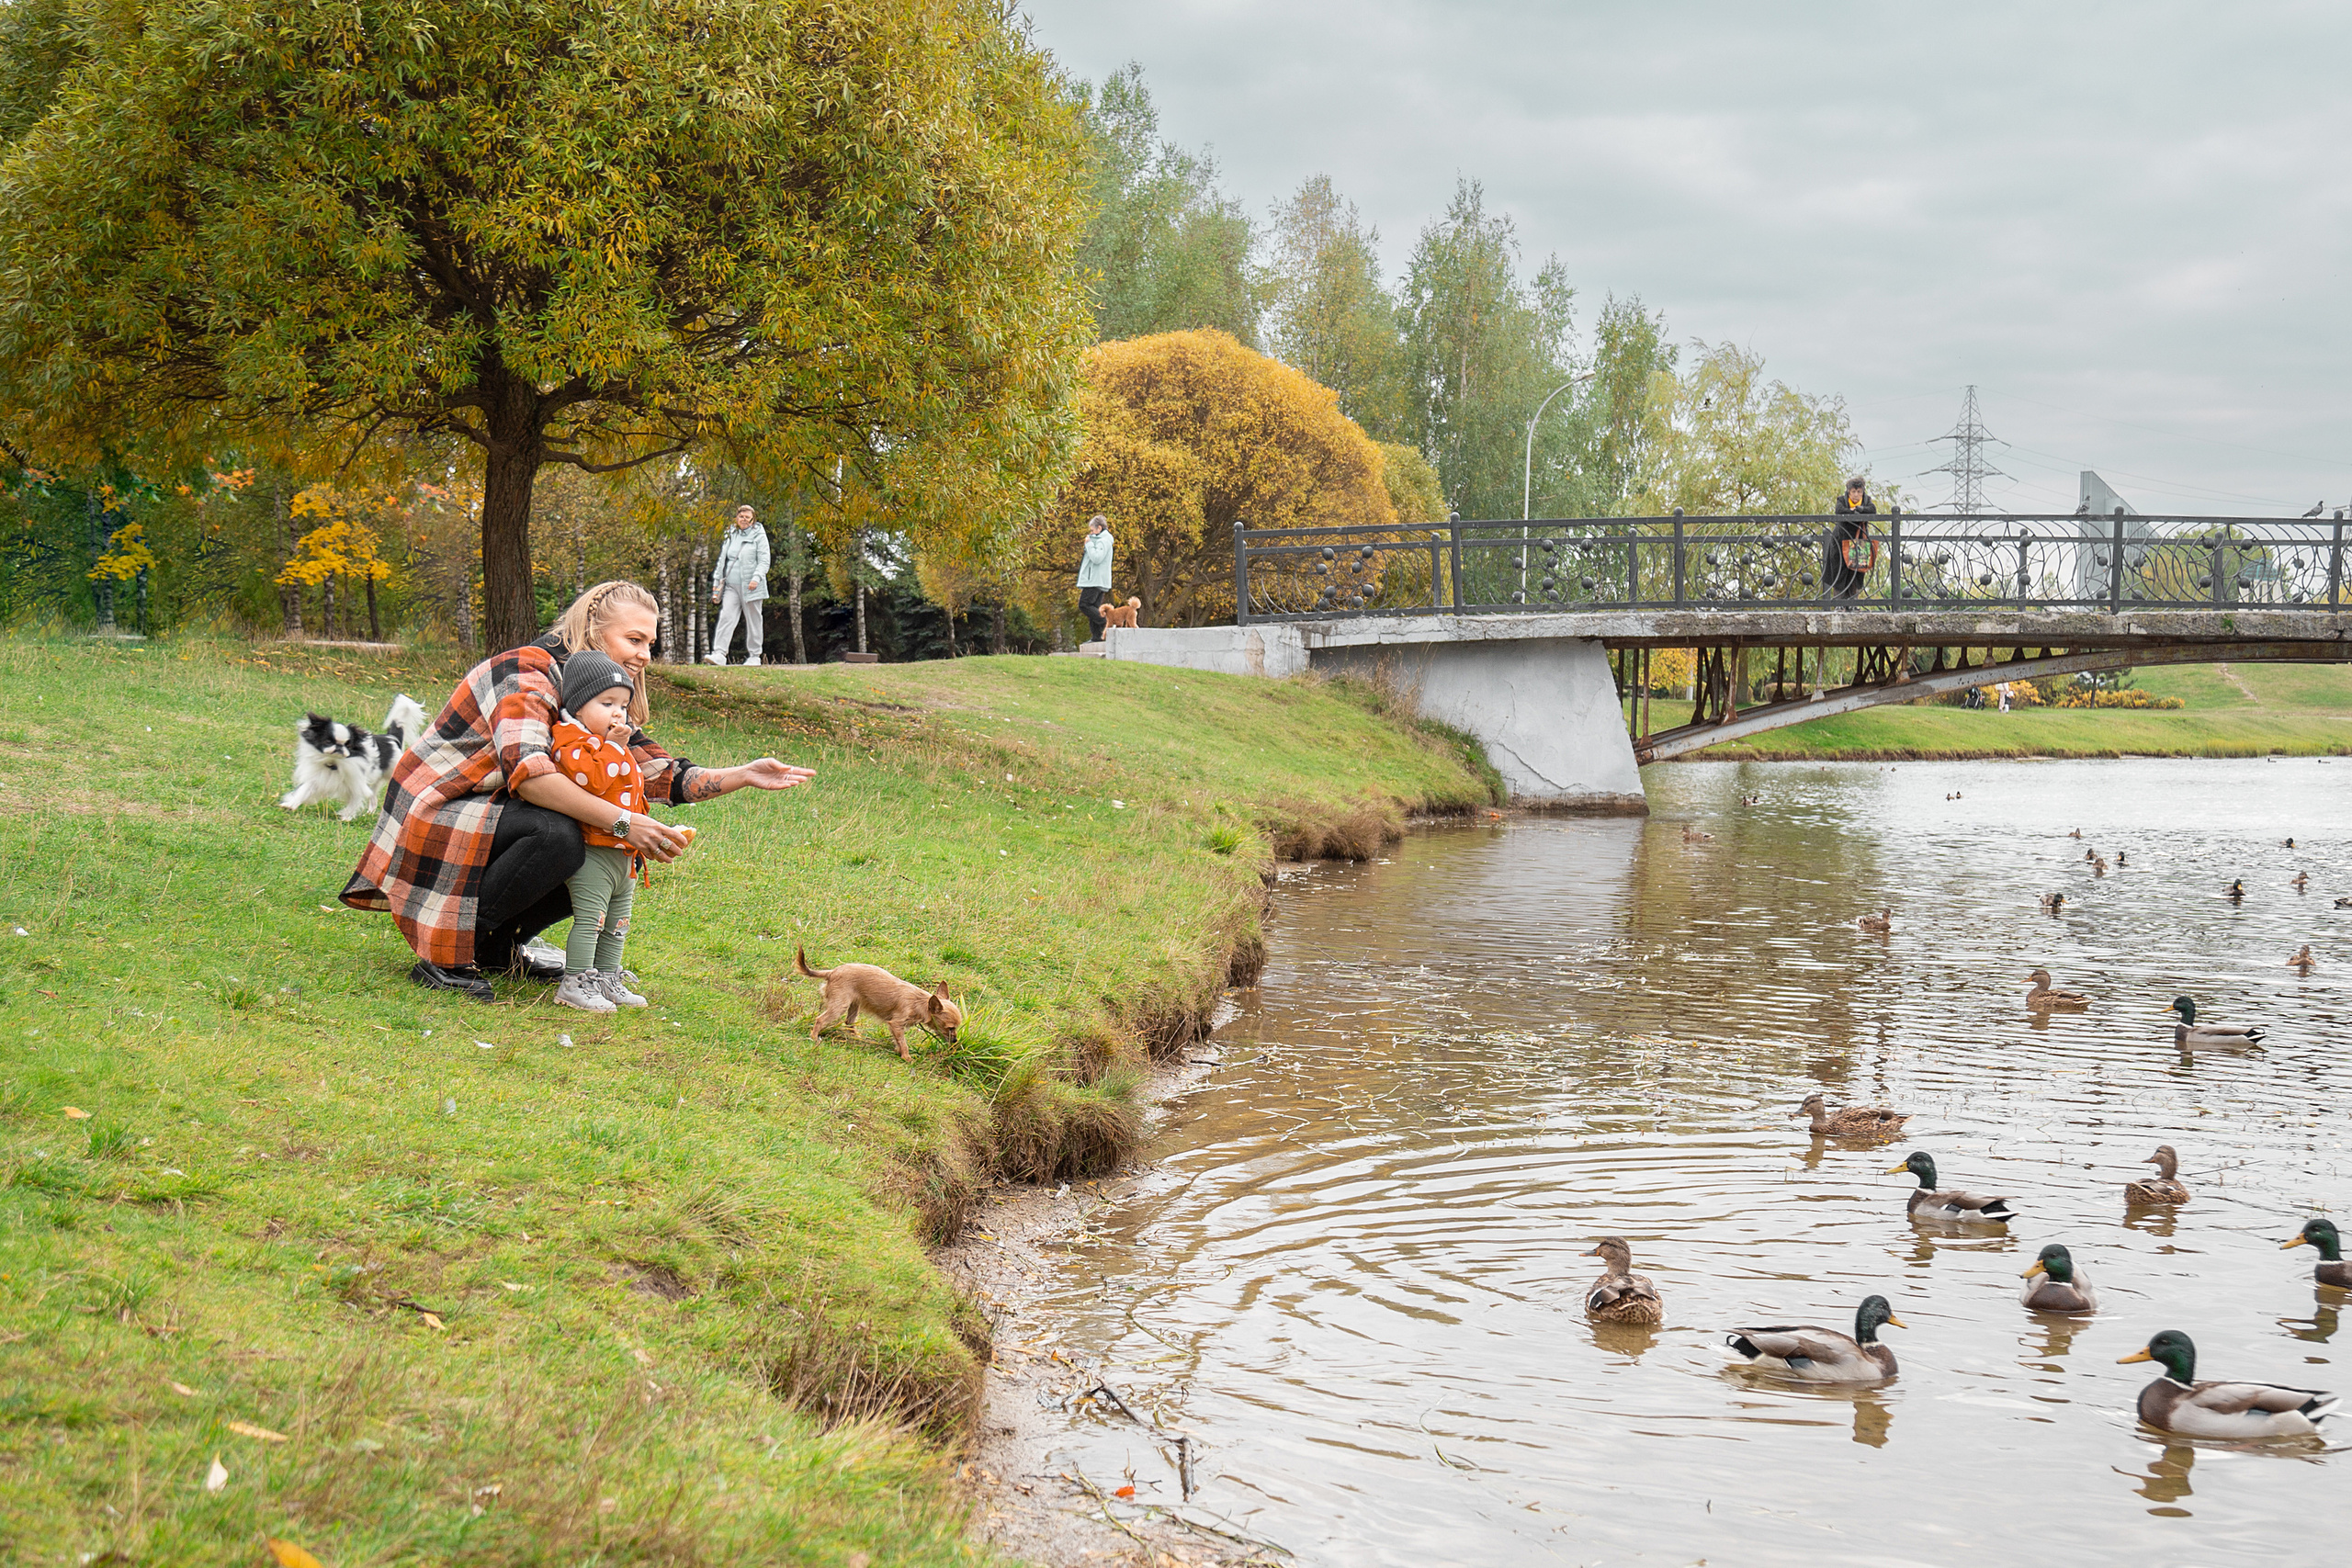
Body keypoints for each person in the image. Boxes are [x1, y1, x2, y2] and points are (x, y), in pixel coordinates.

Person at [342, 581, 814, 1000]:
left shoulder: (595, 696)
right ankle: (446, 954)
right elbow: (531, 774)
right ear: (591, 629)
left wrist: (745, 774)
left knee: (599, 850)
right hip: (442, 810)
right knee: (561, 834)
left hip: (496, 810)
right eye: (633, 639)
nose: (644, 655)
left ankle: (497, 948)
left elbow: (660, 773)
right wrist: (624, 822)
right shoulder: (526, 670)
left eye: (650, 642)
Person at [548, 654, 664, 1012]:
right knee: (592, 921)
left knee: (618, 923)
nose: (618, 713)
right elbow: (593, 782)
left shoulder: (611, 740)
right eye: (607, 703)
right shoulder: (571, 740)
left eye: (624, 705)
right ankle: (576, 981)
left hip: (624, 852)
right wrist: (615, 746)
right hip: (594, 848)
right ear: (579, 706)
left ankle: (607, 977)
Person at [707, 504, 769, 665]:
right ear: (737, 518)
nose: (744, 520)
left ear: (753, 519)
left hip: (752, 586)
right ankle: (719, 654)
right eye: (741, 516)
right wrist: (716, 582)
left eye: (748, 517)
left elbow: (764, 560)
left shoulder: (759, 536)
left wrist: (756, 578)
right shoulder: (731, 534)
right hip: (730, 586)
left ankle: (755, 656)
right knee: (726, 616)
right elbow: (722, 560)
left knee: (754, 620)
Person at [1823, 477, 1877, 602]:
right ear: (1848, 492)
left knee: (1857, 572)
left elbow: (1872, 510)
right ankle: (1839, 603)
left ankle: (1853, 603)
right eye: (1853, 492)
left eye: (1859, 492)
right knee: (1840, 571)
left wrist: (1860, 509)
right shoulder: (1842, 500)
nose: (1856, 495)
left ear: (1863, 492)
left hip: (1860, 539)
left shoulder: (1866, 501)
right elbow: (1839, 511)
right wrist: (1854, 513)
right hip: (1841, 540)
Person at [1077, 513, 1114, 640]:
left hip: (1094, 580)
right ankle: (1097, 636)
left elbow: (1097, 558)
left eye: (1092, 530)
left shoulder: (1103, 541)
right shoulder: (1102, 540)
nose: (1091, 533)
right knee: (1094, 608)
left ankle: (1106, 621)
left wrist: (1089, 544)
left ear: (1099, 528)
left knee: (1084, 605)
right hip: (1097, 580)